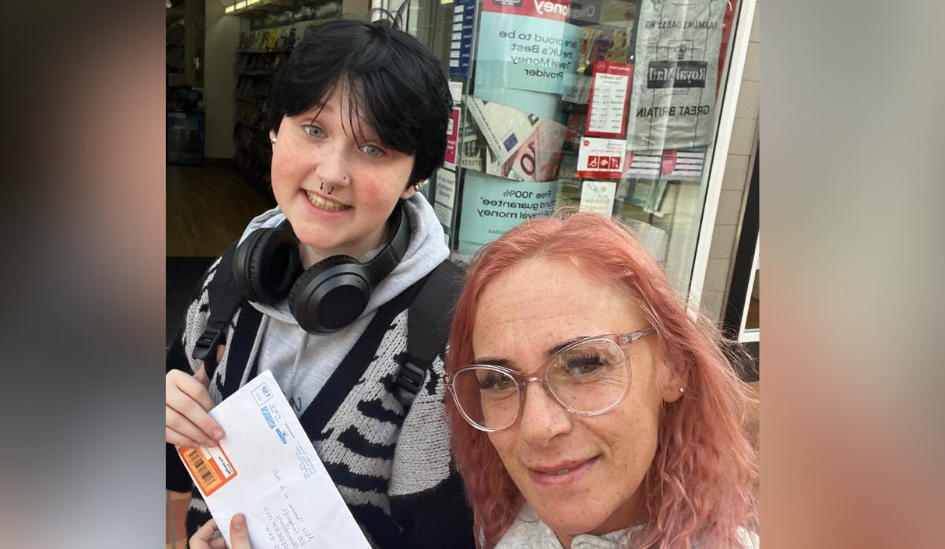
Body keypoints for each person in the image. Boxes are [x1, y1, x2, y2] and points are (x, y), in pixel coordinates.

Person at [165, 15, 474, 549]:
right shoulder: (234, 277)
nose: (332, 172)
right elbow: (176, 470)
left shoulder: (444, 332)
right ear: (274, 130)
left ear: (415, 177)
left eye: (374, 149)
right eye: (314, 129)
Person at [444, 212, 759, 549]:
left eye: (584, 364)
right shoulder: (498, 519)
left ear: (673, 365)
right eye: (497, 381)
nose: (536, 427)